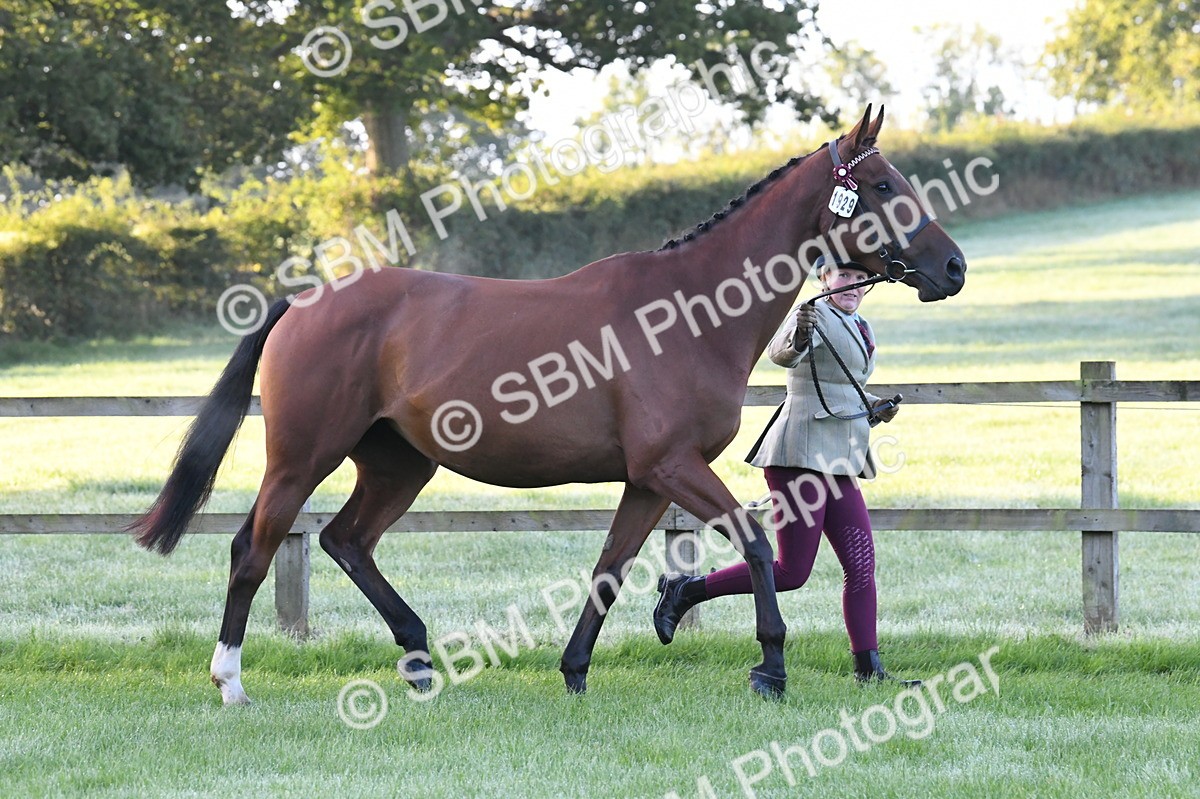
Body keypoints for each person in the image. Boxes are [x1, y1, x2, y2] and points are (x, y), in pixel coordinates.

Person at [653, 255, 919, 685]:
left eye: (859, 278)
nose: (852, 285)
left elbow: (838, 387)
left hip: (840, 459)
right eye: (844, 276)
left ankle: (869, 671)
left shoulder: (860, 324)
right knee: (791, 573)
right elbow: (782, 354)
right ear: (824, 278)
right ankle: (687, 590)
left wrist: (873, 408)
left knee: (862, 565)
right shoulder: (810, 314)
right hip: (799, 458)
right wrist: (799, 334)